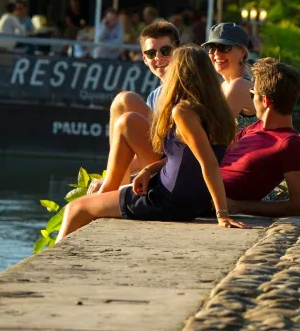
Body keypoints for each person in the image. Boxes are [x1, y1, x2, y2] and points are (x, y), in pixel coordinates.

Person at [56, 45, 249, 241]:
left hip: (166, 200)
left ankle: (54, 265)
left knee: (75, 208)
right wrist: (149, 170)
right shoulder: (218, 111)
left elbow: (208, 162)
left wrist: (222, 214)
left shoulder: (183, 112)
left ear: (179, 74)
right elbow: (188, 156)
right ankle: (106, 194)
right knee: (128, 122)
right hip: (186, 199)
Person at [89, 21, 180, 194]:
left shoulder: (186, 88)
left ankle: (113, 182)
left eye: (165, 51)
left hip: (176, 168)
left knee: (125, 100)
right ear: (145, 59)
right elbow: (144, 146)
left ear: (178, 52)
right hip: (160, 163)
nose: (158, 58)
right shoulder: (155, 95)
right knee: (123, 106)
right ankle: (116, 179)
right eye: (151, 53)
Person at [222, 58, 300, 217]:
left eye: (252, 94)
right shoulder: (254, 128)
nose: (251, 98)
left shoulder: (289, 144)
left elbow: (299, 207)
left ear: (265, 100)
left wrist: (239, 206)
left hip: (195, 199)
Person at [202, 22, 258, 129]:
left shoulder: (240, 85)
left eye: (224, 47)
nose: (217, 54)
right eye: (212, 48)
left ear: (242, 52)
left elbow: (213, 129)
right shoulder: (225, 85)